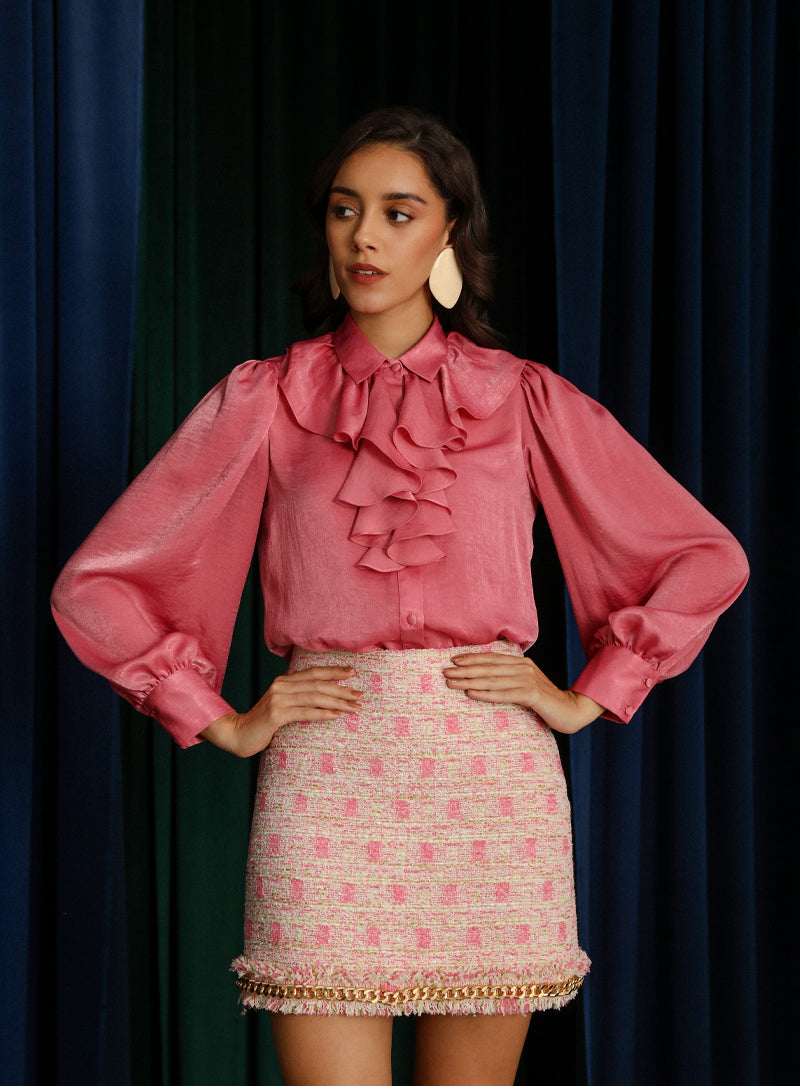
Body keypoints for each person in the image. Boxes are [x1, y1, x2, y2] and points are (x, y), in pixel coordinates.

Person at [51, 107, 749, 1086]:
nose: (365, 238)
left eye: (397, 212)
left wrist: (586, 696)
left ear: (449, 231)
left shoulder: (522, 397)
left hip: (489, 784)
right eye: (345, 211)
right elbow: (99, 584)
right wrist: (217, 718)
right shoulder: (265, 397)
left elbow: (702, 557)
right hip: (327, 776)